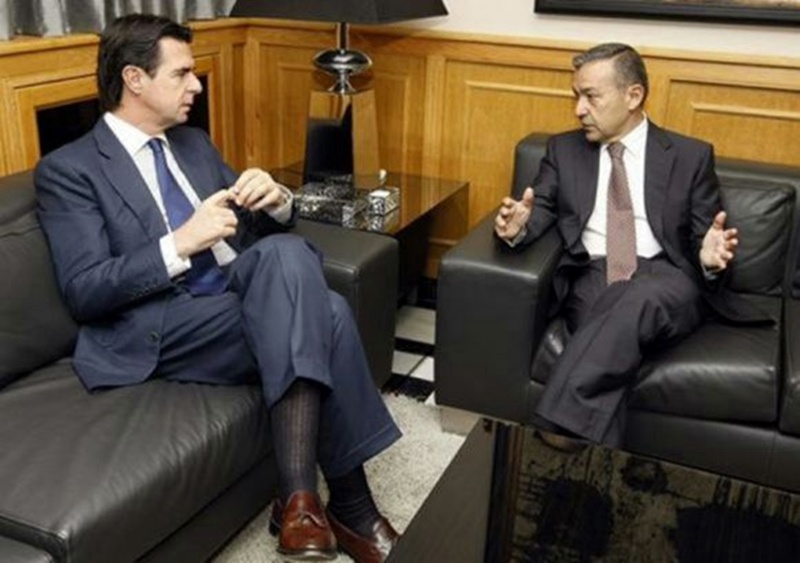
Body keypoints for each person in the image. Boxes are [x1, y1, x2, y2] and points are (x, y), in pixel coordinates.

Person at [35, 14, 401, 563]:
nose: (196, 86)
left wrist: (277, 199)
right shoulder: (70, 170)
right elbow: (85, 289)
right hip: (161, 321)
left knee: (284, 256)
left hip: (237, 291)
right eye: (181, 74)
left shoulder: (193, 144)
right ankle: (350, 506)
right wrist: (180, 243)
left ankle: (299, 501)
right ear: (134, 79)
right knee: (324, 310)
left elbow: (250, 227)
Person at [494, 43, 738, 448]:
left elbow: (704, 236)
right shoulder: (563, 150)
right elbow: (542, 206)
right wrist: (517, 227)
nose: (579, 109)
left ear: (633, 95)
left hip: (666, 277)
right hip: (593, 272)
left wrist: (709, 258)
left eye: (591, 96)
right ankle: (593, 465)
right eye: (576, 96)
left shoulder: (690, 156)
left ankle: (553, 428)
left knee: (634, 296)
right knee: (610, 311)